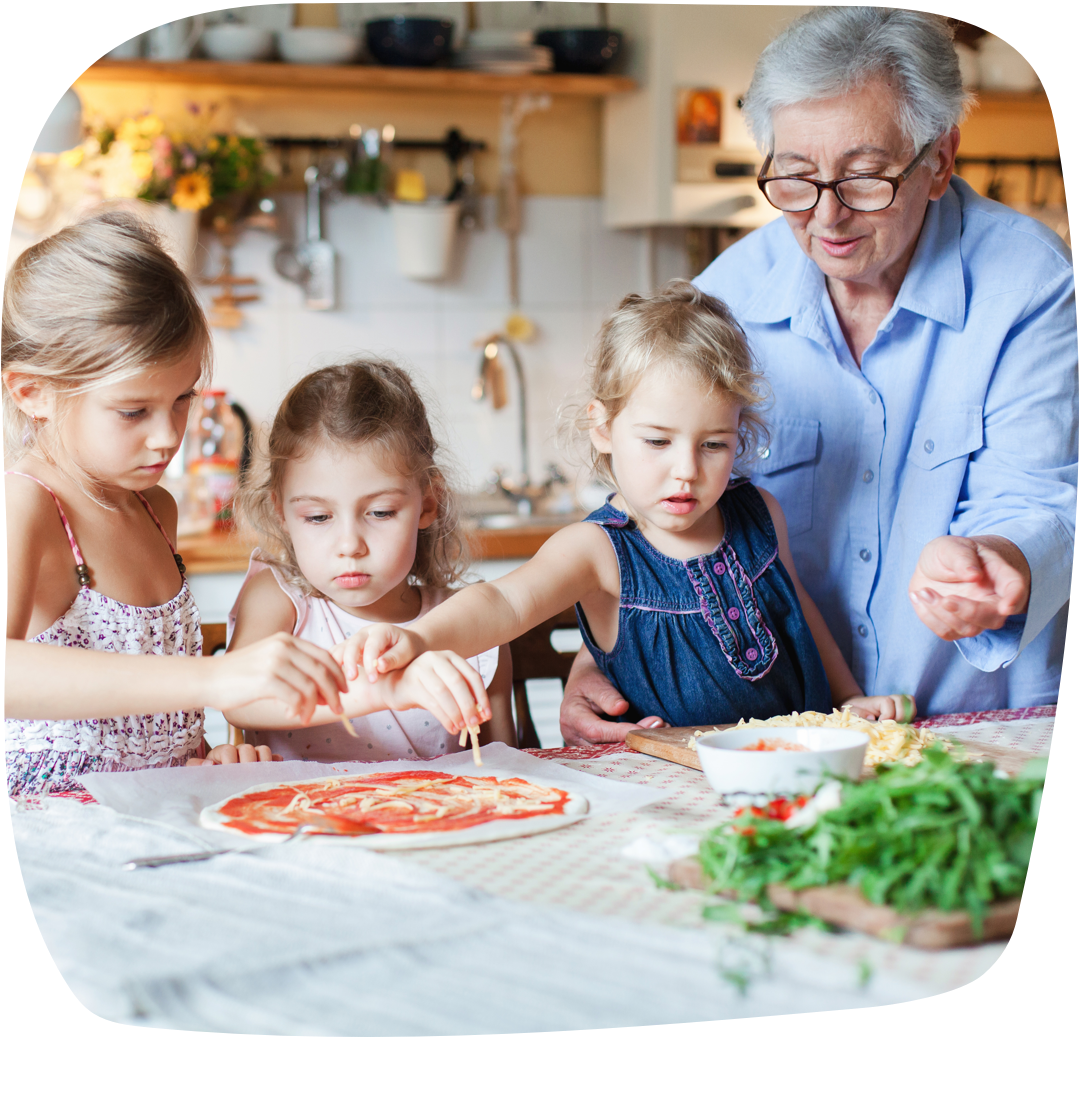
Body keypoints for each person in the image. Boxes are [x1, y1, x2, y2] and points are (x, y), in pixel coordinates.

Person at [561, 7, 1076, 745]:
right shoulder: (730, 297)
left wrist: (995, 562)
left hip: (980, 732)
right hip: (789, 745)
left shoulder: (1028, 285)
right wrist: (602, 657)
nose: (827, 216)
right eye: (797, 178)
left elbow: (1040, 499)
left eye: (866, 178)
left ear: (940, 159)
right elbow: (658, 520)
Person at [2, 213, 486, 796]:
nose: (166, 436)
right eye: (134, 411)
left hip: (163, 805)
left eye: (182, 400)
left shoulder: (156, 508)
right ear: (32, 392)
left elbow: (150, 726)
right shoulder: (26, 501)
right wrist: (216, 677)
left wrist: (210, 755)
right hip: (60, 822)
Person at [336, 283, 909, 728]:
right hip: (665, 792)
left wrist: (849, 698)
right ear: (604, 427)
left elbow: (801, 614)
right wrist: (416, 639)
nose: (686, 469)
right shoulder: (598, 551)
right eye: (657, 441)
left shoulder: (760, 513)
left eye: (714, 444)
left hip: (794, 767)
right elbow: (501, 603)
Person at [222, 359, 510, 761]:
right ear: (282, 513)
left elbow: (505, 766)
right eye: (318, 517)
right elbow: (237, 696)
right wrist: (382, 691)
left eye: (380, 513)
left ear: (428, 503)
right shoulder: (278, 600)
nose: (349, 545)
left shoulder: (470, 623)